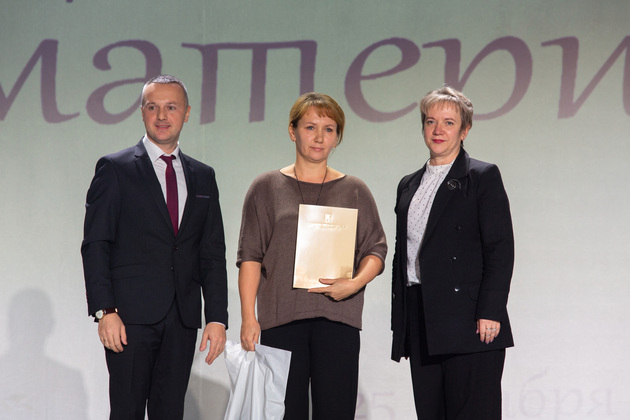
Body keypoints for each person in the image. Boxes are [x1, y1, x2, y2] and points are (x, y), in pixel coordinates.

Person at [81, 75, 228, 420]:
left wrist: (217, 317)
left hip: (182, 318)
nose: (162, 115)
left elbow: (211, 252)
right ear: (142, 112)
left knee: (170, 412)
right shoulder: (115, 169)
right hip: (129, 318)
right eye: (153, 107)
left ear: (186, 113)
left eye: (171, 107)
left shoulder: (203, 176)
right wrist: (105, 311)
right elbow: (96, 244)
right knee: (127, 411)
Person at [237, 92, 387, 420]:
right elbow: (250, 256)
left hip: (337, 320)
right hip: (281, 320)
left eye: (329, 129)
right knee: (283, 413)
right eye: (310, 127)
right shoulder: (266, 187)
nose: (319, 137)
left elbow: (376, 249)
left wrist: (354, 283)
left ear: (337, 137)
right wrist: (249, 317)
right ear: (292, 131)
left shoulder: (354, 189)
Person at [390, 86, 515, 419]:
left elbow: (500, 248)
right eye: (431, 121)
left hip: (470, 319)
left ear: (465, 130)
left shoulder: (481, 176)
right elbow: (404, 254)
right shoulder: (408, 184)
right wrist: (401, 326)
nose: (438, 130)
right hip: (421, 316)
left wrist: (491, 311)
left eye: (448, 122)